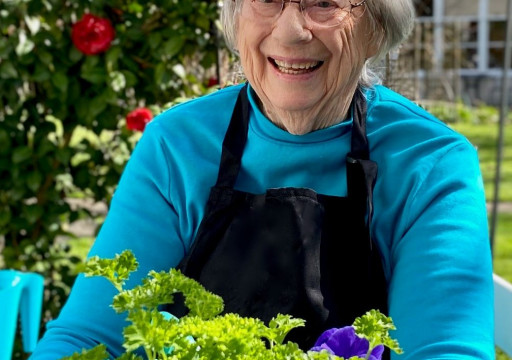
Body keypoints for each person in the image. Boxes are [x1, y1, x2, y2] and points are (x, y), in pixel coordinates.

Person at [31, 0, 494, 359]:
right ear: (237, 19)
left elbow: (443, 349)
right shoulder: (176, 146)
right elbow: (90, 335)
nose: (291, 30)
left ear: (375, 24)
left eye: (324, 3)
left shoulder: (431, 164)